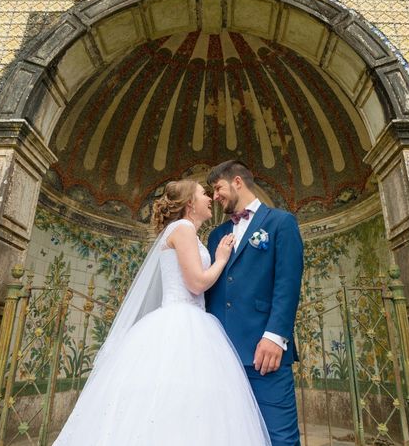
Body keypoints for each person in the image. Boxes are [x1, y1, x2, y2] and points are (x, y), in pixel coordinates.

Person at [53, 179, 270, 446]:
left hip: (189, 318)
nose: (209, 198)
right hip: (182, 320)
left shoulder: (185, 231)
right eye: (204, 194)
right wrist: (222, 259)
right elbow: (197, 283)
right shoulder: (183, 229)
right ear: (190, 203)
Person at [206, 160, 305, 446]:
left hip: (265, 354)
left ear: (238, 182)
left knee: (281, 438)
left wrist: (275, 337)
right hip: (221, 355)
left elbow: (287, 283)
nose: (215, 197)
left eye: (218, 188)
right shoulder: (216, 235)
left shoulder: (281, 222)